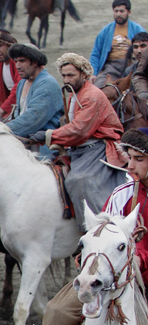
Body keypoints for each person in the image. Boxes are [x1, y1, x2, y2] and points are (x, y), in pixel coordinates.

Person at [19, 127, 148, 325]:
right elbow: (103, 233)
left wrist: (142, 259)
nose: (130, 165)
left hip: (144, 276)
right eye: (130, 157)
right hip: (111, 272)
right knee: (59, 309)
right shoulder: (122, 194)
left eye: (139, 159)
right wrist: (91, 257)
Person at [32, 54, 127, 218]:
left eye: (71, 75)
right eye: (64, 75)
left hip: (97, 147)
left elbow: (80, 130)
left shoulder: (91, 96)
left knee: (78, 180)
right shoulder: (74, 93)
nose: (66, 79)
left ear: (84, 74)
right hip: (79, 147)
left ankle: (99, 225)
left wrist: (49, 135)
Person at [5, 44, 62, 161]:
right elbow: (18, 115)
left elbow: (32, 119)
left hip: (44, 149)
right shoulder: (22, 83)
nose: (18, 66)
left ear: (35, 62)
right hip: (23, 144)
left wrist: (1, 129)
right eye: (16, 61)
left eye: (22, 61)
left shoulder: (47, 84)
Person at [91, 0, 145, 87]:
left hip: (133, 65)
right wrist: (94, 73)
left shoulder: (138, 29)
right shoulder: (106, 31)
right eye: (116, 11)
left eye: (122, 11)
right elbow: (96, 53)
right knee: (98, 89)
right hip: (112, 67)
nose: (118, 14)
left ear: (129, 12)